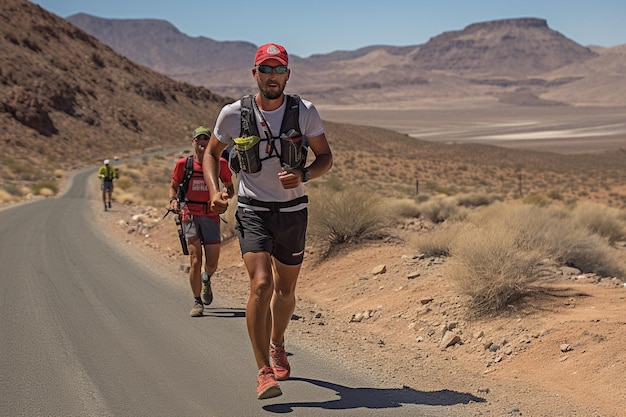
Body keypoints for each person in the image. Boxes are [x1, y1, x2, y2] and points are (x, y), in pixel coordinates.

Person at [202, 43, 333, 399]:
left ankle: (277, 343)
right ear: (254, 73)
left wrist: (304, 174)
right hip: (253, 209)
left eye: (279, 70)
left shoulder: (304, 112)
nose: (272, 76)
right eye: (266, 69)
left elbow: (325, 157)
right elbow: (212, 153)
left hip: (292, 213)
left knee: (285, 290)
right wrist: (216, 191)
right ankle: (263, 372)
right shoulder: (233, 114)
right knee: (261, 284)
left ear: (288, 74)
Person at [169, 126, 234, 317]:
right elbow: (173, 186)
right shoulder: (184, 164)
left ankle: (206, 279)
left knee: (212, 263)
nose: (202, 142)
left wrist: (225, 195)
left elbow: (230, 187)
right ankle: (197, 302)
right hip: (190, 214)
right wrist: (173, 200)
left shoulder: (220, 163)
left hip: (211, 215)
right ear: (193, 142)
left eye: (206, 139)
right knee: (195, 259)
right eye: (199, 139)